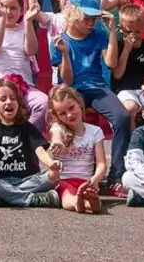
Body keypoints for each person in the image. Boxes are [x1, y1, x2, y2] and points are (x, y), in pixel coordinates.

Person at [49, 0, 131, 189]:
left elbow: (111, 64)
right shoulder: (59, 41)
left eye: (95, 18)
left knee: (122, 116)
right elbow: (66, 81)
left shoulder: (99, 34)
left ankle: (117, 174)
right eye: (87, 17)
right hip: (71, 90)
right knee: (70, 115)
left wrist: (112, 31)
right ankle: (75, 174)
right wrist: (66, 53)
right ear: (73, 12)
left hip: (95, 86)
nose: (91, 22)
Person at [0, 76, 59, 208]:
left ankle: (0, 198)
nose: (9, 102)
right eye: (3, 99)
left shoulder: (26, 126)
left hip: (28, 180)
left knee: (54, 176)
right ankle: (31, 199)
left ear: (19, 102)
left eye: (13, 98)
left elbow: (40, 150)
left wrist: (51, 163)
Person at [0, 0, 49, 130]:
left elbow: (31, 50)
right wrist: (1, 19)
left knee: (43, 103)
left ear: (20, 11)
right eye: (4, 7)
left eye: (13, 8)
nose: (8, 11)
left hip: (24, 86)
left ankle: (26, 137)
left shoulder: (24, 29)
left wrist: (29, 22)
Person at [44, 86, 109, 214]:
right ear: (56, 115)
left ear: (79, 103)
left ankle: (89, 202)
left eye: (71, 108)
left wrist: (95, 179)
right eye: (62, 113)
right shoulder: (58, 128)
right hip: (64, 181)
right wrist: (57, 142)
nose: (69, 115)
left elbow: (101, 164)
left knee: (91, 195)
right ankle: (76, 202)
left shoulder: (95, 131)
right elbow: (56, 135)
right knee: (66, 198)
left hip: (86, 182)